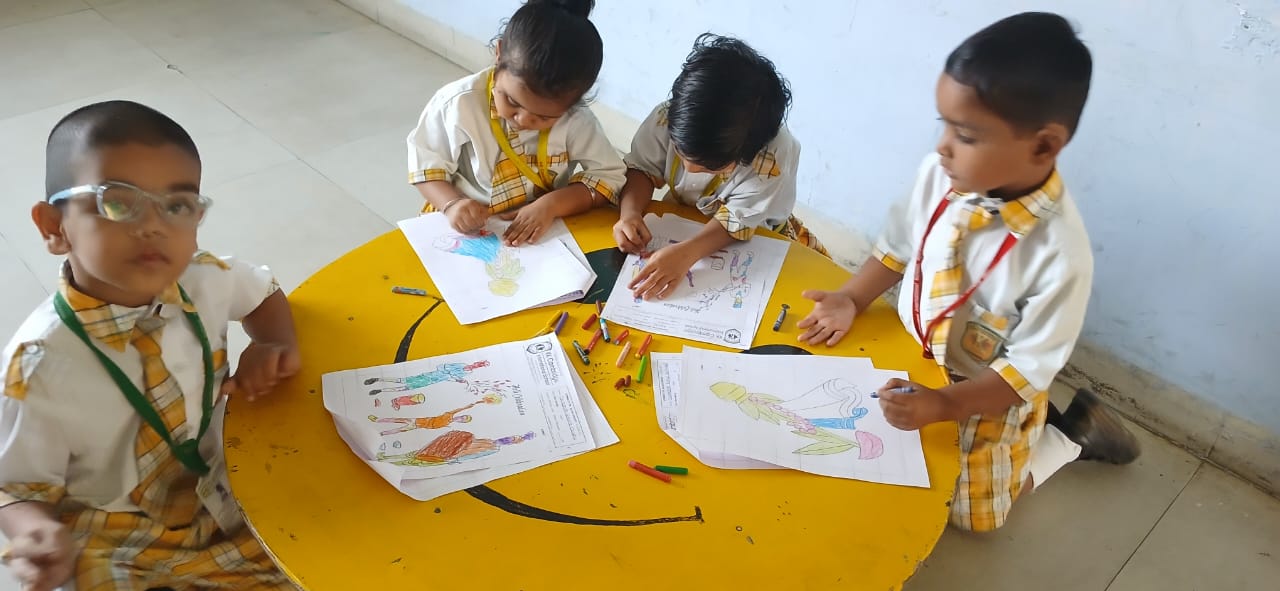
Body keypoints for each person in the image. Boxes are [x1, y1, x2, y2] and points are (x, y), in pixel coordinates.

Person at [795, 12, 1139, 532]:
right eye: (944, 124)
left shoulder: (1061, 257)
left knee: (975, 518)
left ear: (1043, 146)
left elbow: (1022, 372)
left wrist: (943, 404)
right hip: (917, 350)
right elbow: (897, 244)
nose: (942, 146)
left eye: (965, 134)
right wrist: (852, 297)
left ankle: (1070, 436)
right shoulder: (940, 173)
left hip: (986, 390)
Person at [0, 100, 299, 589]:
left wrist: (273, 341)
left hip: (225, 485)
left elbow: (263, 292)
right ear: (54, 227)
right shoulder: (38, 366)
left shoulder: (205, 279)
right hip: (119, 531)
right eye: (117, 203)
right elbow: (15, 487)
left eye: (177, 205)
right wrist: (34, 529)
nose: (154, 225)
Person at [614, 34, 826, 301]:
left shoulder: (773, 156)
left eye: (709, 167)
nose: (689, 169)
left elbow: (739, 219)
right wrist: (630, 213)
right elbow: (642, 168)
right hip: (683, 220)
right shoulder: (667, 118)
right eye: (680, 152)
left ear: (749, 151)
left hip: (758, 229)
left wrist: (689, 253)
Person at [407, 0, 626, 247]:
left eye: (544, 117)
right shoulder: (458, 104)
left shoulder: (576, 120)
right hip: (464, 224)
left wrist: (551, 205)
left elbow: (610, 176)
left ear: (573, 103)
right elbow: (425, 167)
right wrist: (451, 204)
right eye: (511, 101)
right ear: (499, 53)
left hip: (543, 231)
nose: (523, 120)